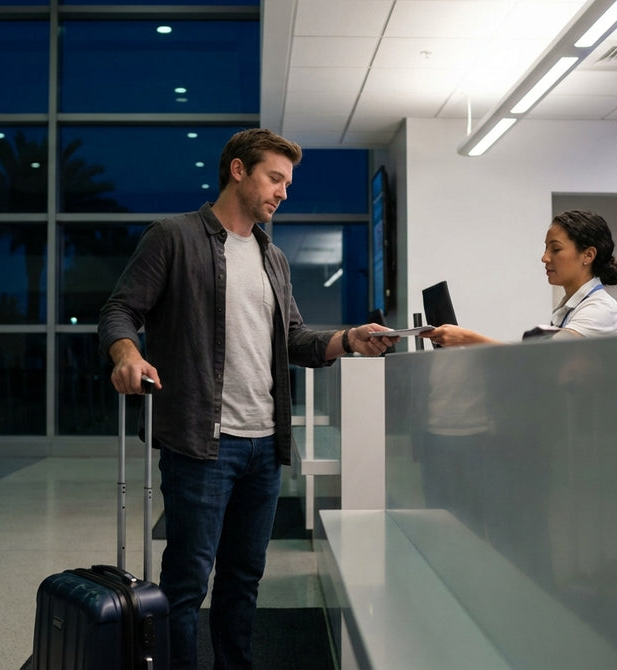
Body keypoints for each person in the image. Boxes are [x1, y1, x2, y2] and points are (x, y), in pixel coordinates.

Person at [98, 128, 398, 670]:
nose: (284, 191)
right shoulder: (174, 237)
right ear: (238, 170)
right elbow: (120, 311)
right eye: (274, 178)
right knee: (187, 584)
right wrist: (126, 354)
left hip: (263, 445)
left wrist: (349, 340)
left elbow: (296, 340)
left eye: (288, 181)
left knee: (243, 581)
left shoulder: (272, 258)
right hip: (201, 444)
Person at [422, 209, 617, 346]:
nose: (545, 258)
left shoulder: (600, 310)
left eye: (556, 249)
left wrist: (466, 338)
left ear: (588, 255)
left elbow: (539, 362)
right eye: (546, 249)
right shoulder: (570, 307)